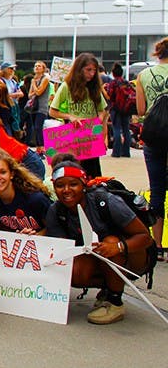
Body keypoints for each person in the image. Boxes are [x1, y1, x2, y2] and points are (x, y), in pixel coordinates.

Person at [45, 161, 155, 324]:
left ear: (84, 184)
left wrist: (117, 247)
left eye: (73, 184)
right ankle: (108, 288)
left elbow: (145, 237)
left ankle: (115, 302)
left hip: (132, 256)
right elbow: (59, 249)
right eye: (60, 185)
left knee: (110, 241)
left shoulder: (105, 201)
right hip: (96, 256)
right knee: (73, 270)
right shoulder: (56, 210)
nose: (66, 190)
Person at [49, 53, 107, 177]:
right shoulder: (66, 87)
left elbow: (102, 109)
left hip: (90, 137)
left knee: (93, 175)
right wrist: (70, 116)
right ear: (79, 69)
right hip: (72, 137)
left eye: (94, 70)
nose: (91, 74)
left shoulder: (94, 88)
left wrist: (99, 120)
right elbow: (52, 111)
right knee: (74, 172)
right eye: (88, 70)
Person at [136, 37, 168, 260]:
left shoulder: (143, 75)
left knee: (157, 191)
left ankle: (157, 247)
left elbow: (140, 109)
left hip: (154, 138)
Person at [0, 150, 51, 235]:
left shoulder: (36, 199)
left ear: (12, 174)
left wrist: (34, 237)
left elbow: (54, 227)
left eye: (3, 172)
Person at [106, 63, 134, 158]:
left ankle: (116, 152)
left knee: (116, 129)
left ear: (113, 73)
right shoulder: (126, 83)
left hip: (115, 109)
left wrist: (103, 89)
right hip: (126, 109)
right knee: (126, 129)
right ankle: (126, 152)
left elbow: (109, 96)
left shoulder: (113, 83)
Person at [26, 60, 52, 149]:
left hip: (42, 107)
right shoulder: (34, 79)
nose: (37, 67)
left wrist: (34, 85)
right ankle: (38, 147)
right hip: (33, 107)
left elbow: (39, 92)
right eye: (35, 66)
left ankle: (42, 147)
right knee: (34, 128)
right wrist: (35, 89)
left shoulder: (46, 78)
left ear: (43, 69)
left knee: (38, 127)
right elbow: (29, 95)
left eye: (39, 66)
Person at [0, 62, 24, 136]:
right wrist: (15, 95)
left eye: (13, 68)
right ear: (4, 70)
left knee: (15, 125)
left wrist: (11, 95)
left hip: (14, 107)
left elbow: (21, 94)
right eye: (10, 68)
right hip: (5, 107)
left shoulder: (13, 82)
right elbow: (3, 95)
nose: (12, 70)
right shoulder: (0, 81)